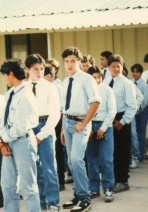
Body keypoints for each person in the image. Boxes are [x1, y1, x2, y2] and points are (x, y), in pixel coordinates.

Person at [60, 46, 101, 212]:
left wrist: (84, 123)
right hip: (67, 123)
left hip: (80, 124)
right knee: (71, 162)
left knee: (77, 160)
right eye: (67, 61)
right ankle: (78, 194)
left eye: (73, 61)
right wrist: (63, 129)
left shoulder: (86, 79)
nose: (69, 64)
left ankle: (85, 199)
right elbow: (65, 107)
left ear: (79, 62)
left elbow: (96, 102)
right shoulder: (65, 81)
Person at [0, 58, 40, 211]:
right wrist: (3, 140)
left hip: (23, 142)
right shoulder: (10, 94)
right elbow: (4, 121)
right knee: (8, 184)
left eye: (5, 75)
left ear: (11, 74)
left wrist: (3, 138)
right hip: (9, 140)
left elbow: (21, 127)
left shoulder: (26, 96)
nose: (4, 79)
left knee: (28, 186)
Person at [25, 54, 61, 211]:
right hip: (29, 127)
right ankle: (41, 203)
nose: (39, 72)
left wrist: (41, 135)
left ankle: (53, 203)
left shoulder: (50, 87)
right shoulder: (23, 87)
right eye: (35, 69)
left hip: (45, 126)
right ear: (27, 70)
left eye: (41, 69)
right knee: (35, 168)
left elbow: (55, 114)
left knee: (48, 167)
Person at [103, 54, 139, 193]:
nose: (116, 69)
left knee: (122, 152)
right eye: (113, 66)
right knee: (110, 152)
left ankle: (122, 181)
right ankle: (112, 178)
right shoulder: (105, 82)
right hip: (108, 118)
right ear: (108, 67)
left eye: (119, 66)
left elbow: (132, 105)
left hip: (121, 119)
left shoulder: (126, 83)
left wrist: (123, 121)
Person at [86, 66, 117, 202]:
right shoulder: (85, 90)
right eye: (94, 77)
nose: (97, 79)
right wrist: (89, 126)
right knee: (91, 159)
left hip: (105, 125)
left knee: (106, 159)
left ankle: (108, 188)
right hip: (90, 126)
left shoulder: (107, 90)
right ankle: (93, 188)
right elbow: (84, 109)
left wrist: (103, 128)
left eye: (99, 76)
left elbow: (112, 111)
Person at [44, 65, 66, 191]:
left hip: (56, 120)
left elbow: (62, 109)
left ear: (48, 76)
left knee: (57, 152)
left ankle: (60, 181)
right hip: (43, 121)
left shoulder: (57, 88)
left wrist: (62, 127)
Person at [130, 63, 148, 164]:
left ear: (141, 73)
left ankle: (140, 156)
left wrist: (137, 110)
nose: (135, 73)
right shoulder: (130, 83)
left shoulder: (144, 85)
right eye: (133, 71)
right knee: (133, 133)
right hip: (131, 111)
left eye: (137, 71)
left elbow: (144, 101)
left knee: (140, 133)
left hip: (141, 111)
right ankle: (133, 155)